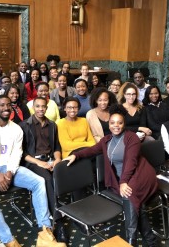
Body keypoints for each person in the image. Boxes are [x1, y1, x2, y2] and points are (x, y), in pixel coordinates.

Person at [0, 95, 66, 247]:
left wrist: (9, 172)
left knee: (39, 182)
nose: (6, 108)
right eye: (2, 105)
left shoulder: (16, 129)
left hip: (9, 168)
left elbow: (16, 154)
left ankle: (45, 232)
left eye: (8, 105)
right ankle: (9, 241)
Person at [64, 104, 159, 246]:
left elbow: (131, 162)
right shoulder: (106, 140)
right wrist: (76, 156)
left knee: (129, 195)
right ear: (108, 124)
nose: (116, 126)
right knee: (134, 202)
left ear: (124, 124)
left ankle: (131, 241)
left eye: (119, 123)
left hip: (140, 175)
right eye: (112, 123)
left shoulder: (131, 138)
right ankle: (151, 240)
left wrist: (123, 182)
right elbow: (92, 150)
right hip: (122, 180)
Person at [19, 97, 67, 243]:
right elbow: (22, 153)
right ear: (33, 107)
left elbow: (57, 147)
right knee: (47, 178)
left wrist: (57, 159)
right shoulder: (24, 125)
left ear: (47, 108)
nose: (40, 109)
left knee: (64, 172)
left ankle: (68, 211)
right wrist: (39, 163)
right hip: (33, 162)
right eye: (37, 106)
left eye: (43, 107)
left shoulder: (52, 125)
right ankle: (59, 223)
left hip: (50, 160)